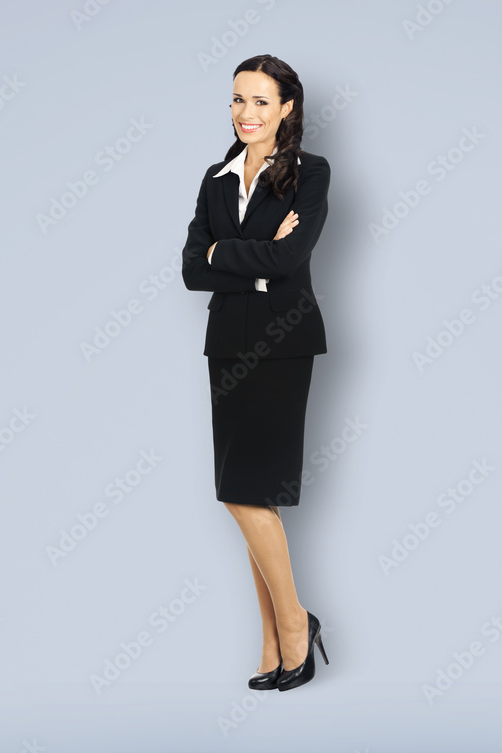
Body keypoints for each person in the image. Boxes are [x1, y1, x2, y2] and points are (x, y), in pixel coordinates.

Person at [181, 54, 331, 691]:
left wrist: (230, 254)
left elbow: (294, 256)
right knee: (247, 493)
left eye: (261, 101)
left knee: (245, 492)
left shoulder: (310, 173)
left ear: (287, 108)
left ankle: (295, 624)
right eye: (238, 100)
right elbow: (192, 269)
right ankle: (272, 642)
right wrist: (258, 260)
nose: (247, 113)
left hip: (284, 344)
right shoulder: (216, 179)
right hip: (226, 346)